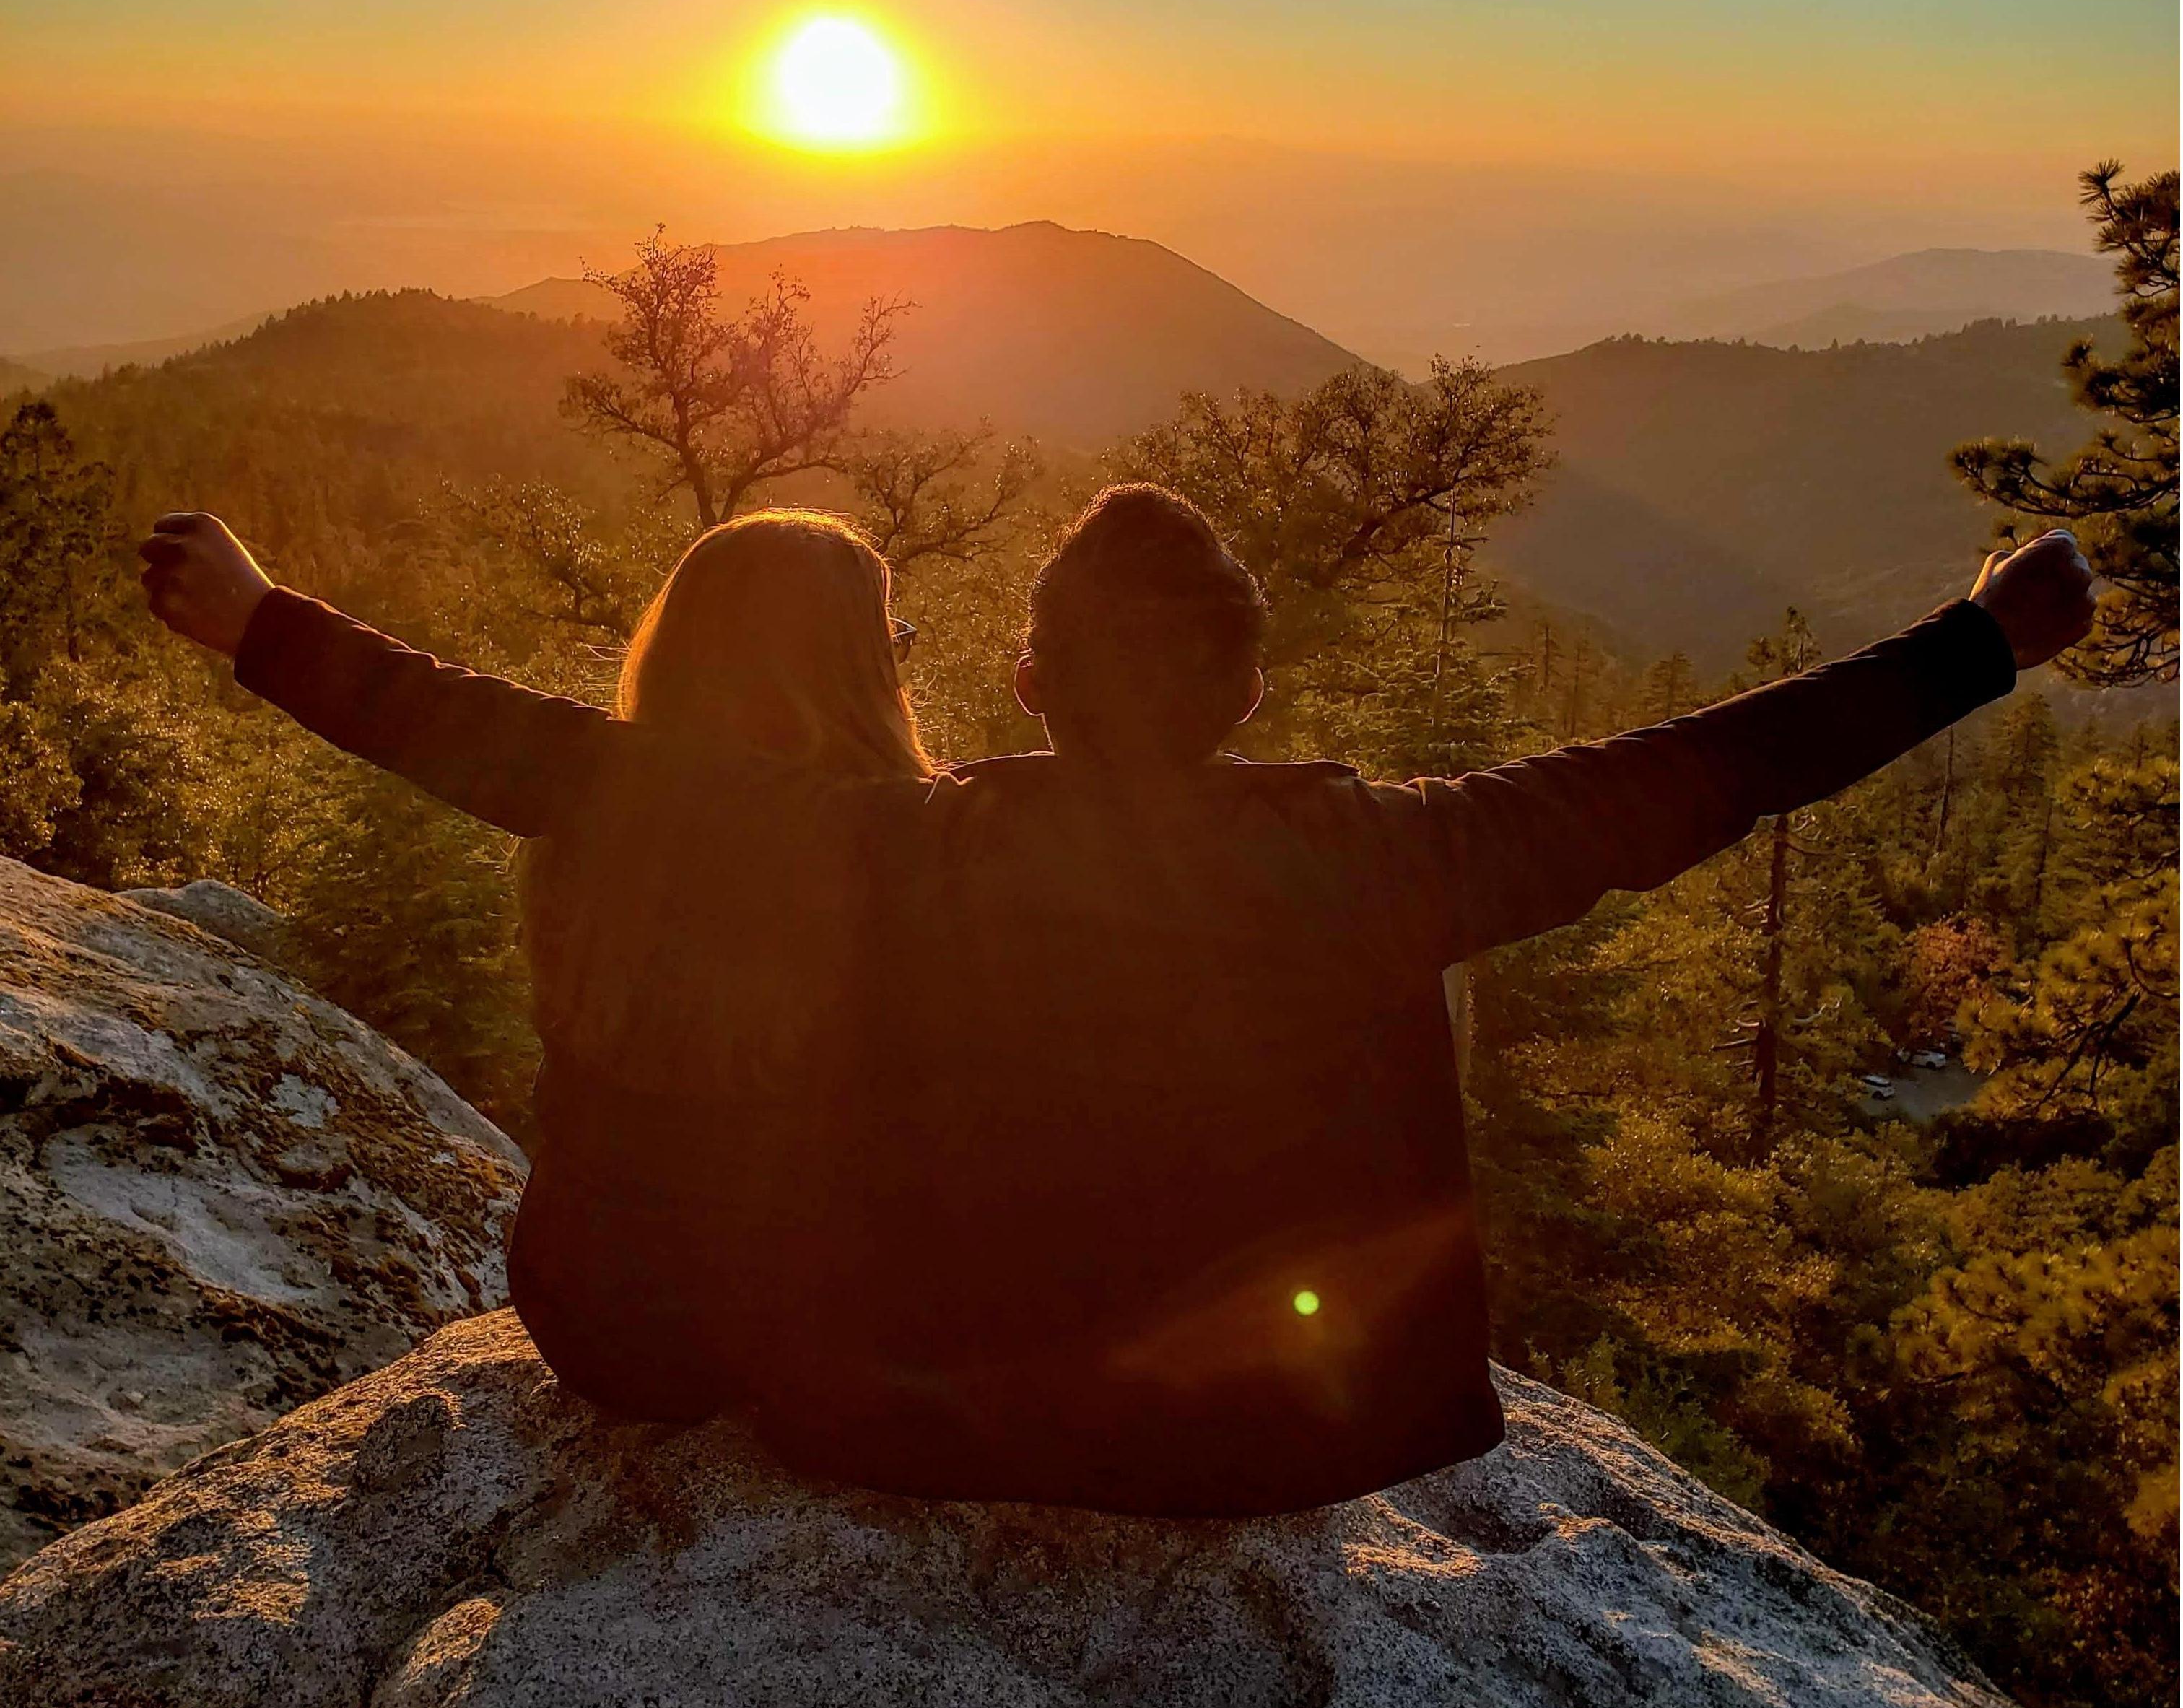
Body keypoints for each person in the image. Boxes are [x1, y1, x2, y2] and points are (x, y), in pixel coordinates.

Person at [143, 491, 2093, 1515]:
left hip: (899, 1428)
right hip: (1290, 1453)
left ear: (1026, 684)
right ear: (1247, 695)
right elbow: (1709, 766)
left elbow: (542, 760)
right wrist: (1978, 644)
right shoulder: (1396, 854)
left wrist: (259, 622)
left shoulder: (895, 851)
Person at [141, 506, 933, 1424]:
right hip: (793, 1328)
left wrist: (260, 618)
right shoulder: (901, 840)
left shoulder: (600, 783)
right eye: (890, 642)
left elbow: (434, 711)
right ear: (854, 672)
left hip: (596, 1319)